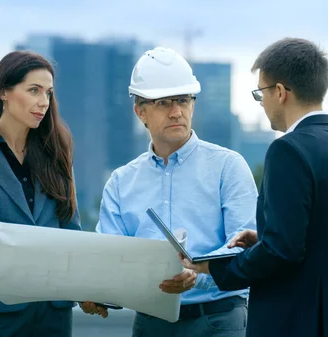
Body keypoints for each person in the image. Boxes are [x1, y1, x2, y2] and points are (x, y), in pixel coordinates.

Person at [181, 38, 328, 337]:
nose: (261, 103)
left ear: (279, 92)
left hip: (297, 324)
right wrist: (264, 238)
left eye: (260, 93)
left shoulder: (288, 151)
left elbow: (282, 252)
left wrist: (217, 268)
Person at [80, 47, 258, 337]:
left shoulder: (228, 167)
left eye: (183, 100)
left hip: (219, 321)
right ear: (140, 112)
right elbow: (110, 260)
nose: (176, 112)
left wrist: (197, 275)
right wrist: (95, 292)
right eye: (163, 103)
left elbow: (244, 251)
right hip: (152, 324)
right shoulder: (121, 182)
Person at [0, 50, 83, 337]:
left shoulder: (57, 154)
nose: (43, 102)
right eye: (33, 90)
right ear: (4, 93)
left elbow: (72, 230)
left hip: (54, 311)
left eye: (48, 93)